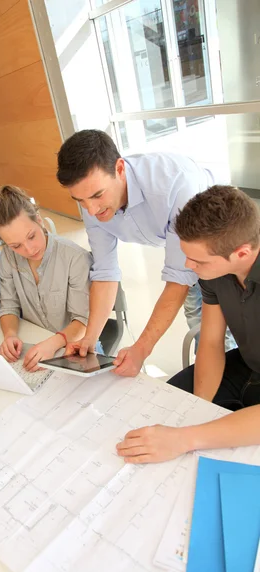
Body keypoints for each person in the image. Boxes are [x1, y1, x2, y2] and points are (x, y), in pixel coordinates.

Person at [56, 129, 234, 377]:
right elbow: (106, 273)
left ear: (119, 169)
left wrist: (141, 349)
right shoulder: (91, 203)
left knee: (220, 324)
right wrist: (91, 337)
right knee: (197, 318)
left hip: (219, 243)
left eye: (97, 195)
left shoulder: (176, 185)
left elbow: (178, 278)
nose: (92, 210)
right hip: (182, 245)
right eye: (80, 200)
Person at [116, 185, 260, 464]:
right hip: (245, 365)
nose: (187, 264)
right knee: (164, 407)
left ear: (242, 253)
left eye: (198, 260)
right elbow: (210, 341)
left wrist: (187, 437)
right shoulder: (214, 272)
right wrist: (195, 408)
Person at [0, 185, 92, 372]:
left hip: (75, 347)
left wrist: (52, 345)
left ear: (39, 221)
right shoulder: (7, 258)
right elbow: (9, 306)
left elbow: (83, 321)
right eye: (16, 245)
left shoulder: (75, 258)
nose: (28, 250)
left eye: (31, 236)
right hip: (35, 345)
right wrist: (10, 334)